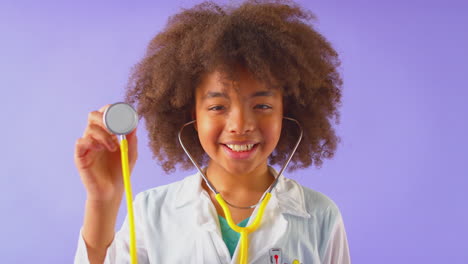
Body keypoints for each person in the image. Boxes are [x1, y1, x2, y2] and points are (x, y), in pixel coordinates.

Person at [73, 0, 351, 263]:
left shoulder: (320, 216)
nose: (240, 125)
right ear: (189, 112)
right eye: (218, 106)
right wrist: (102, 200)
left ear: (287, 111)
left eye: (263, 105)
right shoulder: (153, 212)